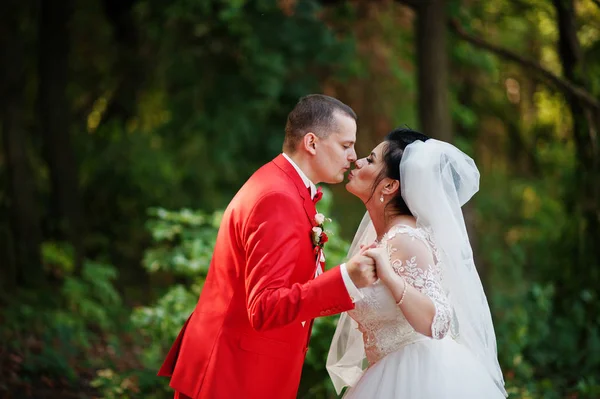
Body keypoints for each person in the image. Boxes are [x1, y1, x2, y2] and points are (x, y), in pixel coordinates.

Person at [158, 94, 379, 399]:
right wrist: (345, 278)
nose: (353, 156)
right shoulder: (278, 198)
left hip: (248, 368)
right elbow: (265, 307)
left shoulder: (286, 188)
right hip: (234, 375)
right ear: (312, 143)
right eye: (345, 145)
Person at [326, 127, 508, 398]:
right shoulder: (382, 240)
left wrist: (389, 275)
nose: (358, 161)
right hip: (383, 375)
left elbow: (439, 320)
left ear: (389, 186)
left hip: (421, 377)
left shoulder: (404, 239)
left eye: (371, 159)